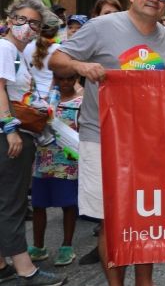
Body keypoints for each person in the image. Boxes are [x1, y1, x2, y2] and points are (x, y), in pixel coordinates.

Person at [50, 0, 165, 286]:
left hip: (149, 141)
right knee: (112, 220)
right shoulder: (101, 26)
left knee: (145, 218)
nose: (154, 0)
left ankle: (144, 282)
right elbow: (57, 60)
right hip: (102, 136)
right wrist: (81, 65)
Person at [0, 0, 67, 286]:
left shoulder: (14, 52)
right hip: (11, 137)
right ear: (9, 19)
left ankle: (2, 266)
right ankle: (26, 270)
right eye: (21, 20)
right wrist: (9, 128)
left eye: (35, 24)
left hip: (17, 134)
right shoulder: (4, 47)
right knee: (11, 204)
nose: (27, 27)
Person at [28, 70, 82, 268]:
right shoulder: (45, 100)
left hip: (68, 162)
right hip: (43, 159)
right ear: (54, 78)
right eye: (61, 79)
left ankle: (66, 246)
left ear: (76, 79)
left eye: (70, 79)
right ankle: (38, 246)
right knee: (39, 204)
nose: (65, 83)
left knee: (68, 204)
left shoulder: (81, 102)